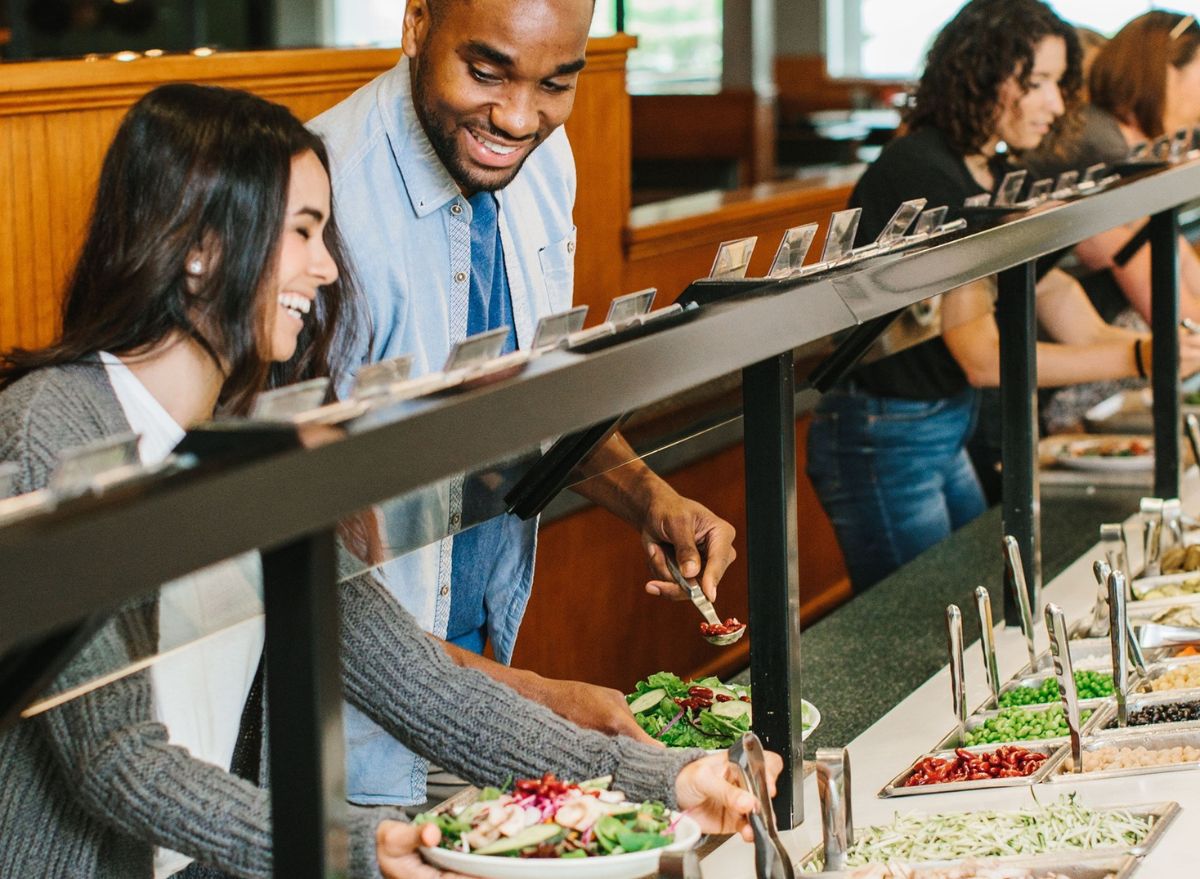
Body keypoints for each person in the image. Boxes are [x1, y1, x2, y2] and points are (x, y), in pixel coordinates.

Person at [0, 83, 778, 879]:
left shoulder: (248, 446)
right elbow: (116, 758)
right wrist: (347, 843)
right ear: (199, 245)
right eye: (301, 231)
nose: (328, 265)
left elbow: (422, 685)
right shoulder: (51, 427)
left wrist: (667, 778)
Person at [310, 0, 739, 807]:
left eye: (555, 83)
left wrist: (651, 495)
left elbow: (533, 394)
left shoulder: (543, 157)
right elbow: (310, 576)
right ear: (416, 24)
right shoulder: (323, 195)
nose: (517, 116)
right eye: (486, 72)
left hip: (486, 670)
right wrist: (535, 699)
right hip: (354, 735)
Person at [805, 0, 1200, 593]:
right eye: (1036, 83)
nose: (1057, 104)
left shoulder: (990, 166)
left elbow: (1051, 289)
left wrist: (1152, 344)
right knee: (931, 622)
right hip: (884, 431)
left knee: (982, 598)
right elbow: (981, 354)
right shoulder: (925, 170)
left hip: (941, 422)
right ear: (982, 74)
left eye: (1059, 83)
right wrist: (1139, 358)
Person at [1024, 11, 1200, 433]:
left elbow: (1168, 248)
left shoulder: (1120, 138)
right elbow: (1143, 274)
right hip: (1049, 362)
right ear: (1164, 74)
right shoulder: (1099, 142)